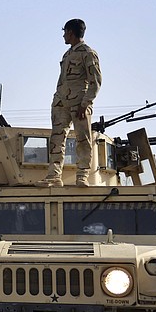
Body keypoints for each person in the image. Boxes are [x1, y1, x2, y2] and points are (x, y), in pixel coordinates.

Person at [36, 19, 102, 187]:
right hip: (61, 103)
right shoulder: (67, 54)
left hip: (79, 103)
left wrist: (85, 103)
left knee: (83, 140)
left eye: (65, 31)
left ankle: (82, 176)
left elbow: (95, 81)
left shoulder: (88, 53)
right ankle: (54, 177)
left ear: (71, 32)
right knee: (57, 139)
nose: (64, 35)